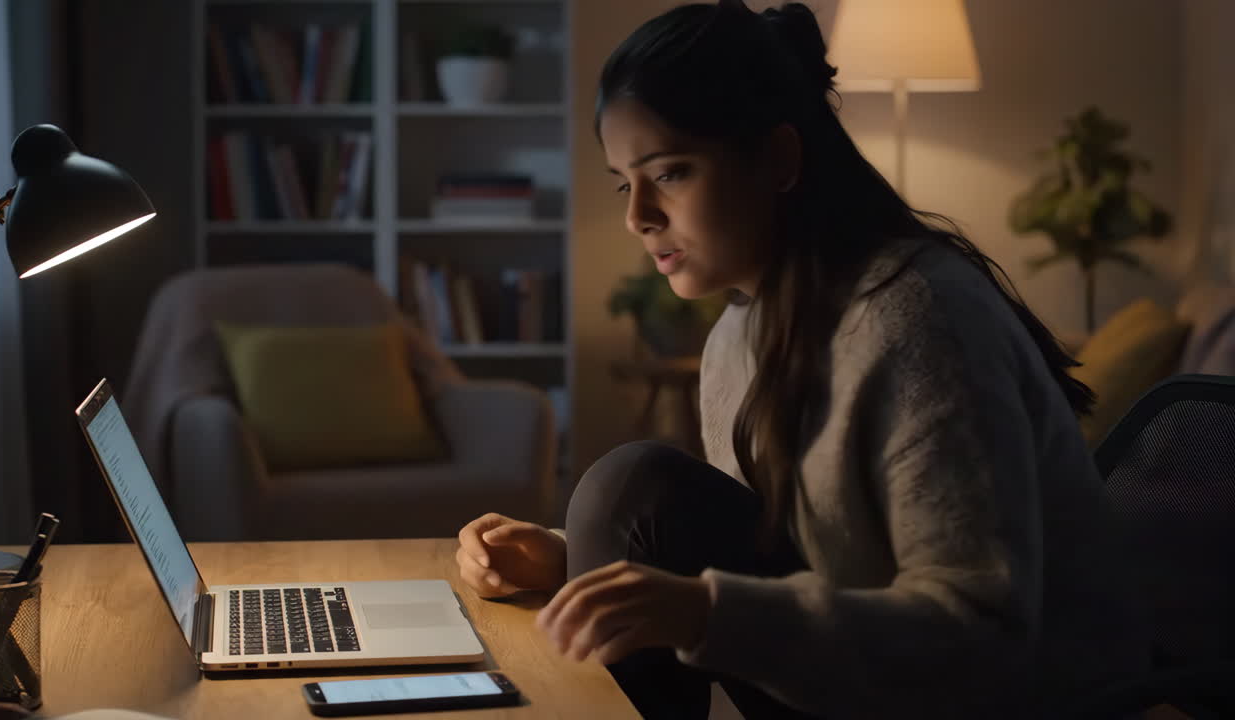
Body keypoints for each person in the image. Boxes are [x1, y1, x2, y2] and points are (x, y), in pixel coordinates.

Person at [455, 1, 1148, 717]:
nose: (638, 216)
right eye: (624, 183)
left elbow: (983, 638)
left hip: (1014, 700)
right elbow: (770, 542)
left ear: (780, 159)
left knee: (635, 480)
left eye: (670, 172)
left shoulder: (919, 318)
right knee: (627, 492)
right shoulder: (738, 334)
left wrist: (703, 615)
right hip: (875, 680)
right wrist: (568, 555)